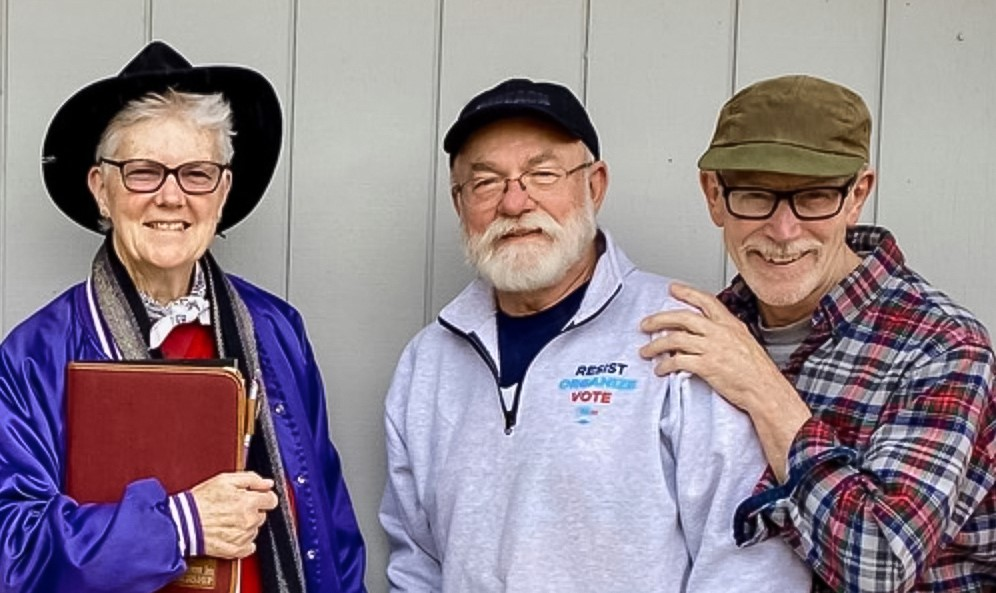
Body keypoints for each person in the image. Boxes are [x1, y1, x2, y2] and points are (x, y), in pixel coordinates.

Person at [378, 78, 810, 592]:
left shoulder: (684, 330)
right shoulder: (427, 363)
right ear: (459, 203)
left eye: (543, 174)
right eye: (486, 182)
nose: (515, 203)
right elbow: (416, 563)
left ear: (595, 185)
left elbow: (748, 559)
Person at [0, 41, 366, 593]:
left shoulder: (276, 328)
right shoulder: (33, 355)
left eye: (196, 173)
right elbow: (14, 550)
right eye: (144, 171)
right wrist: (179, 525)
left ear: (222, 192)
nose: (171, 198)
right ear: (102, 190)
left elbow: (330, 522)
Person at [639, 74, 996, 592]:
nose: (783, 231)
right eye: (756, 195)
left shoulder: (942, 347)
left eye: (814, 197)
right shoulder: (704, 331)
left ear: (858, 195)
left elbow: (879, 564)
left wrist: (764, 389)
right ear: (714, 195)